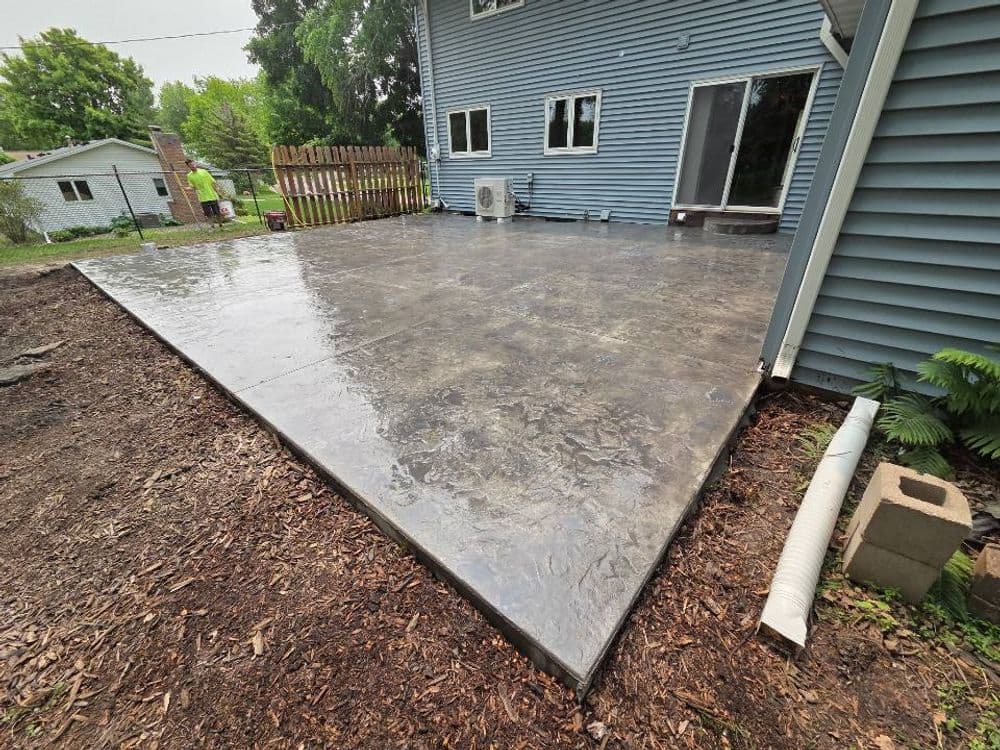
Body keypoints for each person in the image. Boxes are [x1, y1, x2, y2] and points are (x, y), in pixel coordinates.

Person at [185, 159, 225, 228]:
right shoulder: (189, 176)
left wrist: (218, 193)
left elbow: (213, 183)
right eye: (190, 165)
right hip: (203, 198)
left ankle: (221, 225)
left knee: (217, 212)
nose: (192, 166)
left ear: (195, 164)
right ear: (188, 167)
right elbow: (193, 187)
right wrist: (187, 188)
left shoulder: (204, 171)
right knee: (208, 214)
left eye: (193, 164)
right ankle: (212, 227)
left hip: (212, 196)